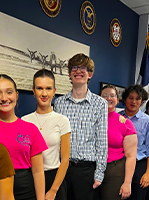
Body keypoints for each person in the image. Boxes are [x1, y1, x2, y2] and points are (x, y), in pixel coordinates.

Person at [54, 53, 108, 200]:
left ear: (90, 74)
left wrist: (99, 173)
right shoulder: (59, 103)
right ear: (70, 73)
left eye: (83, 68)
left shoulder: (100, 103)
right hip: (63, 167)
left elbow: (102, 140)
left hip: (86, 168)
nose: (78, 71)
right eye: (74, 68)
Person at [0, 74, 48, 200]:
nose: (4, 98)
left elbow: (38, 172)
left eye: (9, 92)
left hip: (26, 190)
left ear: (16, 95)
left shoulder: (30, 129)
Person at [22, 69, 71, 200]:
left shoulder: (62, 121)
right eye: (39, 88)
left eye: (48, 88)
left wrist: (53, 190)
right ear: (33, 91)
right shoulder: (24, 121)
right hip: (31, 177)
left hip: (54, 178)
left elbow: (65, 160)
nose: (44, 93)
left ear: (54, 91)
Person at [97, 85, 137, 200]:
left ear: (117, 100)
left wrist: (127, 183)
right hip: (92, 168)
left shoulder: (125, 123)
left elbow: (131, 156)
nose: (108, 98)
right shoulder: (92, 120)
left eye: (112, 95)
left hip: (114, 171)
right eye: (104, 96)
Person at [119, 85, 149, 200]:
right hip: (117, 164)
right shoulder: (116, 118)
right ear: (125, 99)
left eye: (138, 98)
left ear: (142, 101)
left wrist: (148, 173)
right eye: (131, 98)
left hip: (138, 166)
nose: (134, 101)